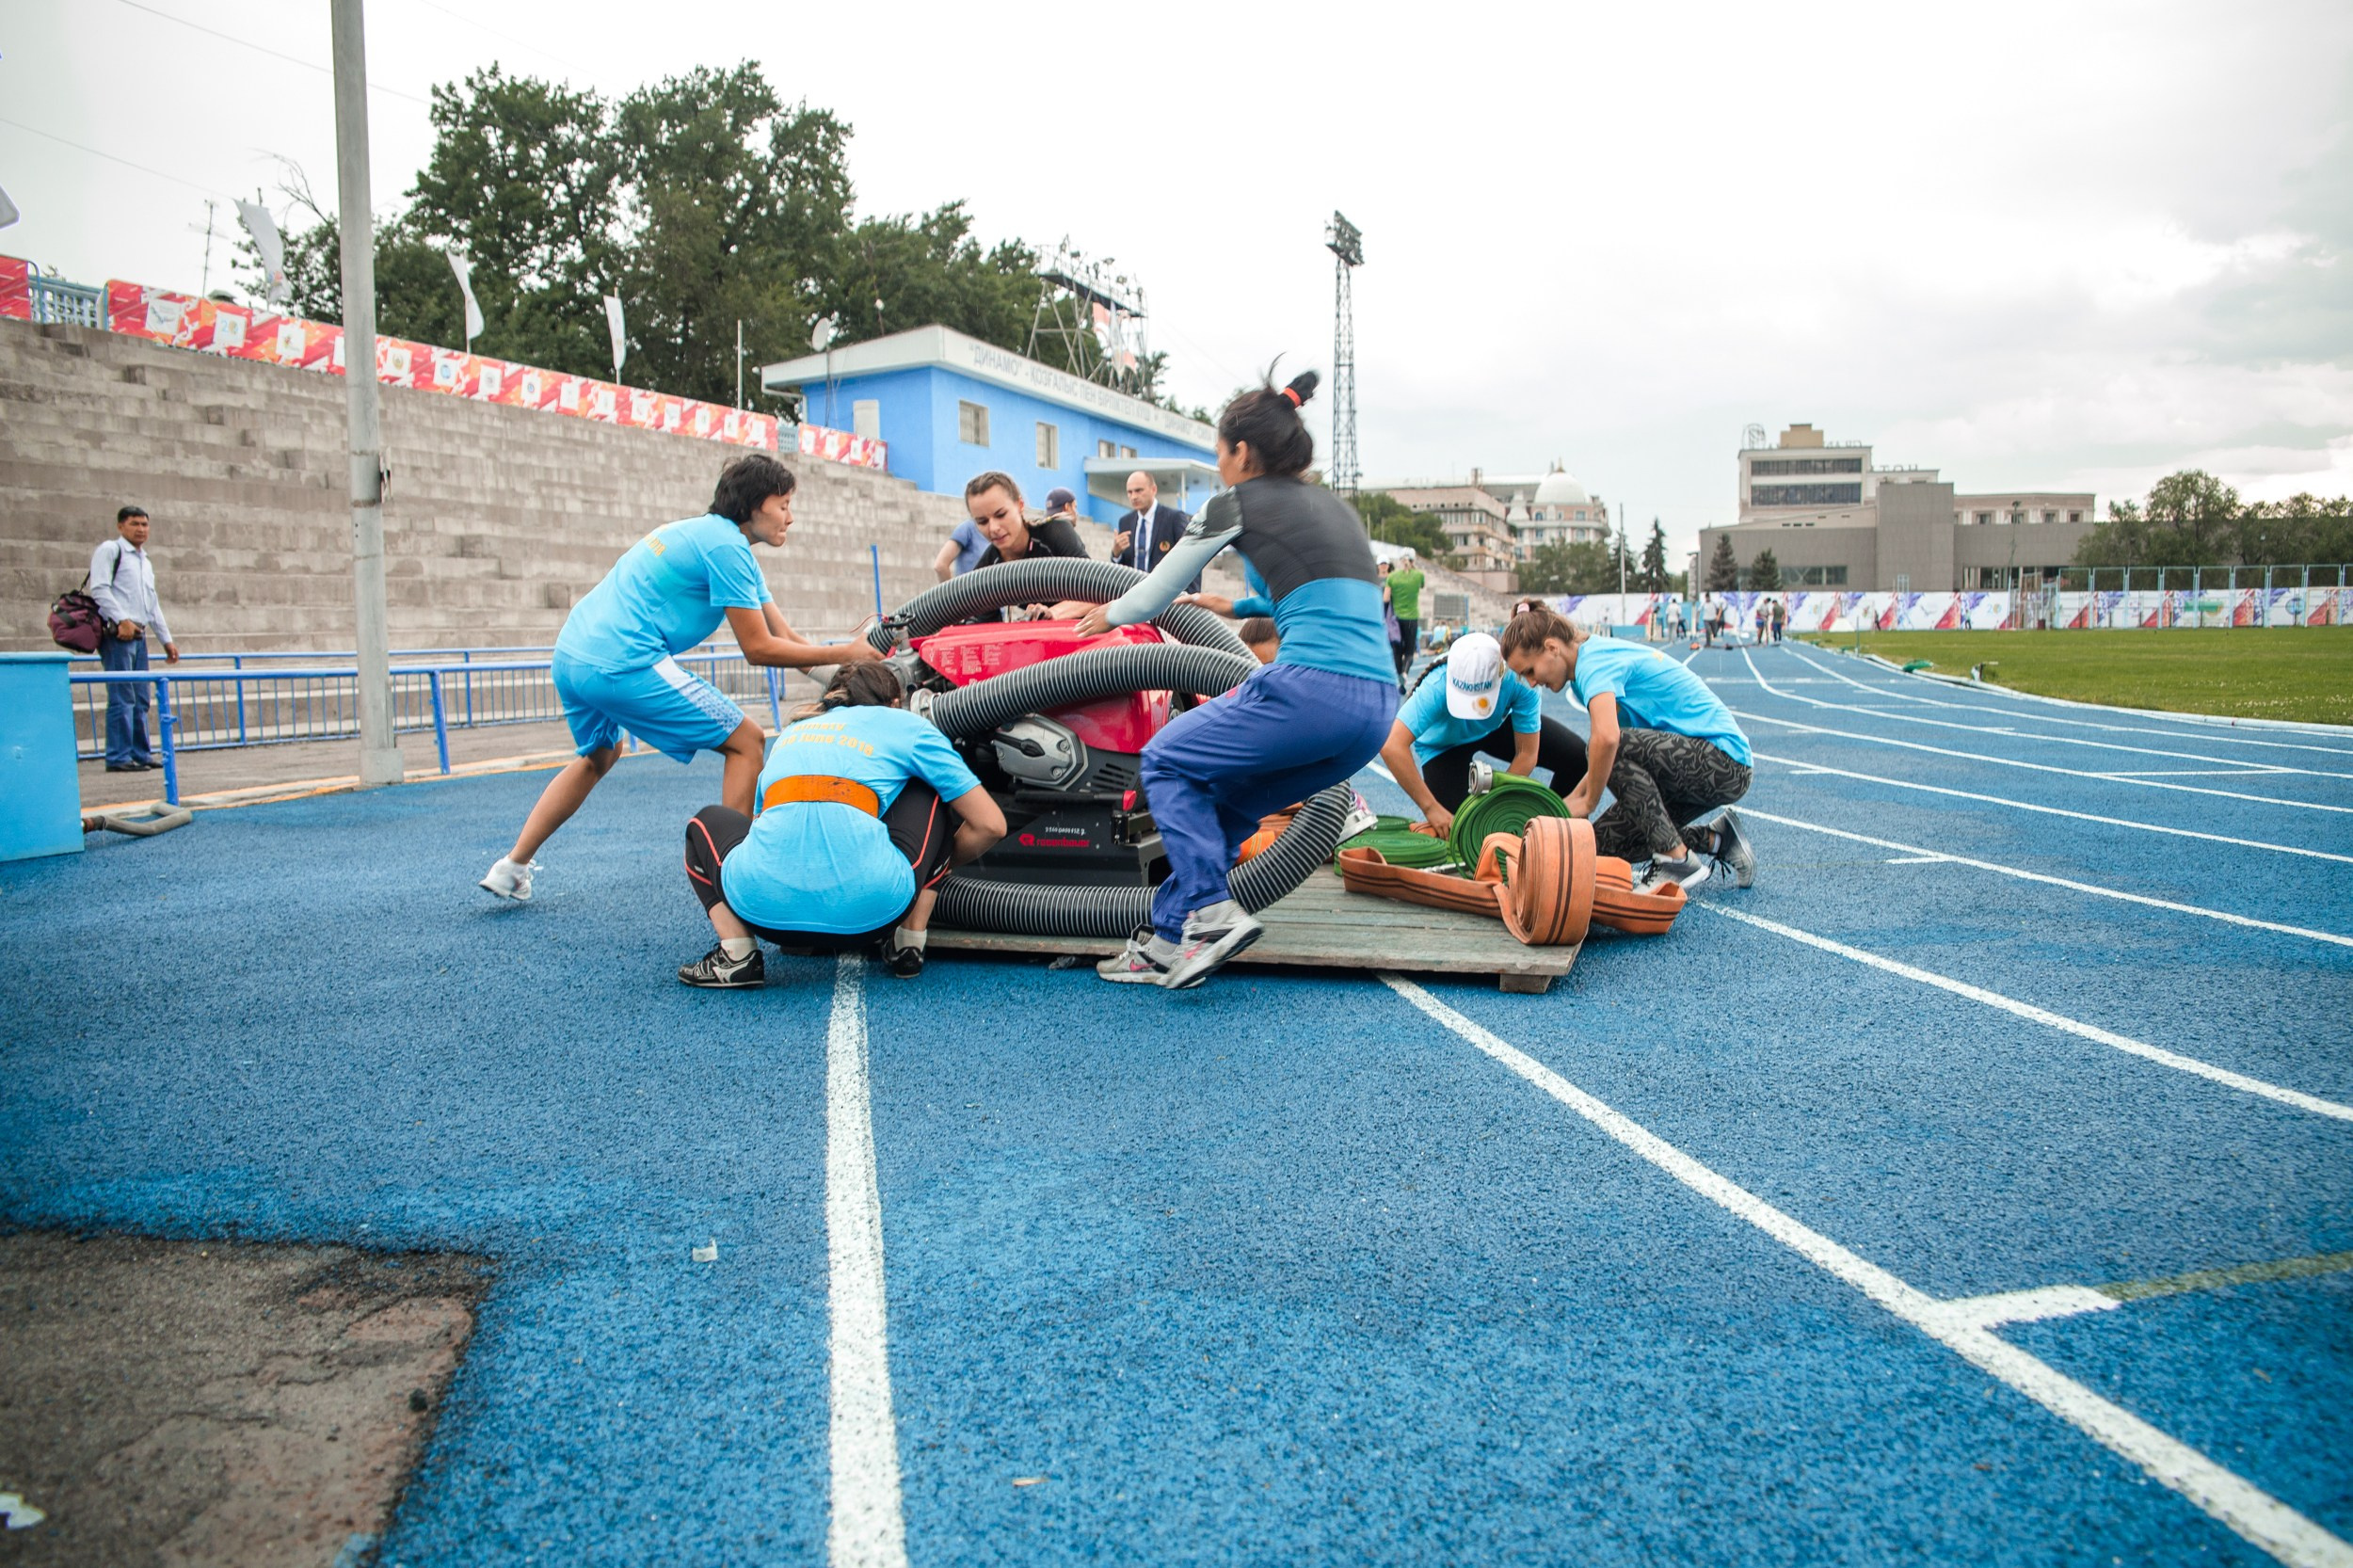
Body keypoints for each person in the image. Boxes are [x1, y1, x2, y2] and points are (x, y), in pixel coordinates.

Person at [1073, 369, 1398, 988]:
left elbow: (1155, 592)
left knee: (1167, 758)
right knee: (1224, 803)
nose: (1218, 466)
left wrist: (1105, 614)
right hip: (1374, 711)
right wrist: (1236, 607)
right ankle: (1169, 940)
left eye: (1219, 453)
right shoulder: (1336, 509)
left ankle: (1210, 913)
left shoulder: (1232, 503)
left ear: (1242, 452)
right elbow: (1326, 599)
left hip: (1314, 691)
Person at [479, 454, 879, 903]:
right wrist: (851, 650)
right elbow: (759, 649)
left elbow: (788, 639)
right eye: (783, 503)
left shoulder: (712, 538)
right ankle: (735, 887)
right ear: (753, 505)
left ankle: (512, 867)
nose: (792, 515)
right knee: (747, 741)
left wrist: (853, 672)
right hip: (624, 660)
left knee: (600, 755)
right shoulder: (726, 548)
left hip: (573, 656)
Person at [678, 662, 1006, 986]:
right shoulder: (906, 725)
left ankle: (737, 952)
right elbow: (990, 825)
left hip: (762, 913)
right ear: (894, 703)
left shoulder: (792, 733)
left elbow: (762, 825)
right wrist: (936, 863)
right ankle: (908, 941)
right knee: (931, 790)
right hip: (873, 914)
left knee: (704, 823)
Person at [1499, 604, 1754, 893]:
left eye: (1530, 671)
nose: (1532, 683)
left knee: (1605, 745)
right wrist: (1570, 801)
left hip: (1726, 763)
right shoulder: (1586, 673)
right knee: (1602, 846)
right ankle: (1717, 839)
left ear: (1551, 647)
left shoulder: (1593, 663)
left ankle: (1675, 859)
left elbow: (1609, 740)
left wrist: (1588, 803)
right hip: (1686, 768)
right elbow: (1607, 755)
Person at [1379, 632, 1587, 835]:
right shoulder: (1436, 685)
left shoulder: (1519, 679)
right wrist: (1430, 808)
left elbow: (1527, 753)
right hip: (1444, 745)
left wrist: (1495, 805)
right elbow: (1392, 746)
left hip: (1494, 728)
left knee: (1577, 757)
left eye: (1479, 699)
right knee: (1465, 832)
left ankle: (1552, 834)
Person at [88, 505, 180, 773]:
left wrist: (166, 640)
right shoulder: (110, 551)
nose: (141, 529)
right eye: (134, 524)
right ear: (120, 526)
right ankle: (118, 757)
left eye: (144, 524)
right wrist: (121, 619)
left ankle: (140, 753)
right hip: (118, 634)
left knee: (141, 697)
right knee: (121, 697)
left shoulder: (144, 560)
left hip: (139, 635)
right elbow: (99, 589)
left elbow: (152, 604)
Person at [960, 472, 1096, 620]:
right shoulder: (988, 568)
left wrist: (1052, 613)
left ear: (1020, 505)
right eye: (982, 522)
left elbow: (1099, 589)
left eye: (1001, 515)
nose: (993, 528)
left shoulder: (1056, 533)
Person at [1112, 471, 1196, 589]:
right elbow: (1121, 568)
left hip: (1163, 595)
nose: (1134, 497)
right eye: (1129, 492)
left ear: (1154, 490)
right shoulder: (1125, 522)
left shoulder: (1174, 518)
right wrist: (1116, 554)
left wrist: (1190, 598)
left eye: (1139, 490)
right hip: (1132, 594)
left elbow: (1191, 559)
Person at [1385, 550, 1426, 678]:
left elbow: (1386, 599)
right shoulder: (1418, 575)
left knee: (1397, 651)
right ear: (1413, 561)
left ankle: (1398, 674)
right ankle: (1405, 672)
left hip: (1396, 619)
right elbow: (1422, 585)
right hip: (1411, 618)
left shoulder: (1392, 577)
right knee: (1409, 652)